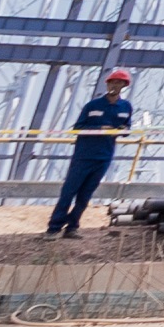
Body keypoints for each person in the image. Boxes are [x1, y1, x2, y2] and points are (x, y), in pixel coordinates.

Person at [47, 68, 136, 236]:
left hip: (104, 157)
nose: (115, 85)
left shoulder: (125, 107)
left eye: (119, 83)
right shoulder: (93, 105)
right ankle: (54, 228)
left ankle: (72, 227)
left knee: (85, 194)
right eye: (113, 82)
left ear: (124, 86)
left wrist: (122, 129)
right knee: (69, 192)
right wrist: (99, 128)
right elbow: (78, 128)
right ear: (107, 84)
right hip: (84, 155)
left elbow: (127, 128)